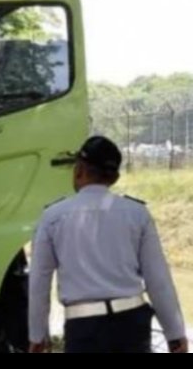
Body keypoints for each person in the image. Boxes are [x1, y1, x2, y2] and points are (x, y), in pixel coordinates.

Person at [28, 135, 188, 353]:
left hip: (83, 328)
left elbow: (39, 283)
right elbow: (158, 279)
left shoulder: (53, 217)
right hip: (132, 325)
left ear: (79, 170)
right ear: (115, 178)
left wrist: (38, 335)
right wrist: (175, 334)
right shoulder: (137, 213)